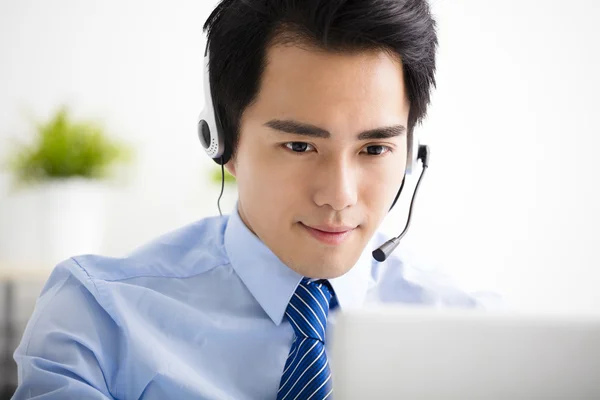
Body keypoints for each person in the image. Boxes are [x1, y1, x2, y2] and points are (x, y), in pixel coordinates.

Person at [12, 0, 493, 398]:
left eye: (374, 149)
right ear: (222, 142)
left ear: (410, 153)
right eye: (300, 146)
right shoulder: (97, 319)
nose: (339, 196)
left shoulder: (479, 334)